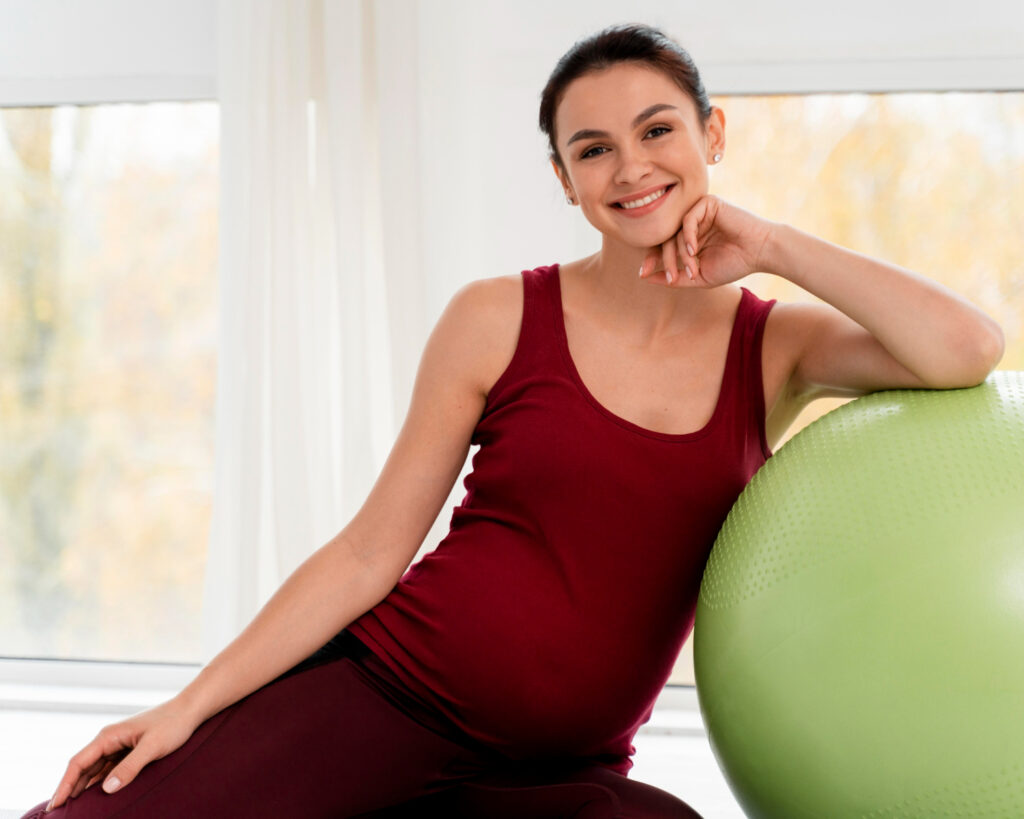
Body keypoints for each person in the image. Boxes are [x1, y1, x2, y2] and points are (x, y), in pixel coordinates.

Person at [26, 21, 1004, 819]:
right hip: (386, 698)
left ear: (714, 135)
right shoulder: (497, 315)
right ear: (564, 179)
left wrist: (775, 244)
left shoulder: (776, 345)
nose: (631, 168)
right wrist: (188, 709)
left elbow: (966, 349)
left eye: (658, 131)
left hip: (560, 773)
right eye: (593, 150)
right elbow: (368, 554)